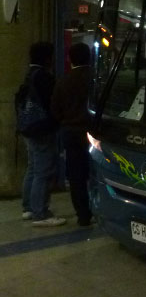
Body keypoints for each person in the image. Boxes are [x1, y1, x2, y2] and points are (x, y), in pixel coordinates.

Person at [20, 41, 66, 227]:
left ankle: (29, 208)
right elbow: (53, 104)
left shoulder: (29, 75)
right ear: (47, 57)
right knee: (43, 171)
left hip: (29, 127)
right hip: (42, 129)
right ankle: (41, 213)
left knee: (32, 168)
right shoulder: (44, 77)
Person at [51, 42, 93, 226]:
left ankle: (83, 215)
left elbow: (55, 110)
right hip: (94, 133)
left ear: (70, 58)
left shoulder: (63, 81)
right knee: (98, 172)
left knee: (76, 176)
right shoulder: (95, 79)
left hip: (70, 132)